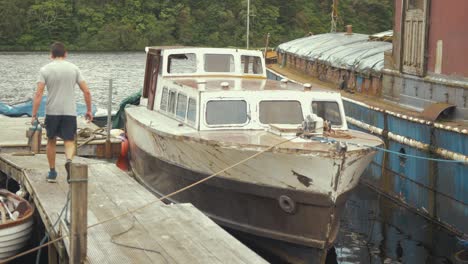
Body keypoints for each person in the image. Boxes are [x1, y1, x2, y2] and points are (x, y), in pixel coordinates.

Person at [31, 42, 93, 183]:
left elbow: (38, 94)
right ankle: (69, 161)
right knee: (69, 141)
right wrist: (89, 110)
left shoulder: (45, 70)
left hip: (52, 111)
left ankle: (52, 173)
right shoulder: (74, 69)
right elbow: (87, 91)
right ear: (65, 54)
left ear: (51, 55)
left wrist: (34, 115)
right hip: (69, 111)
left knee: (51, 141)